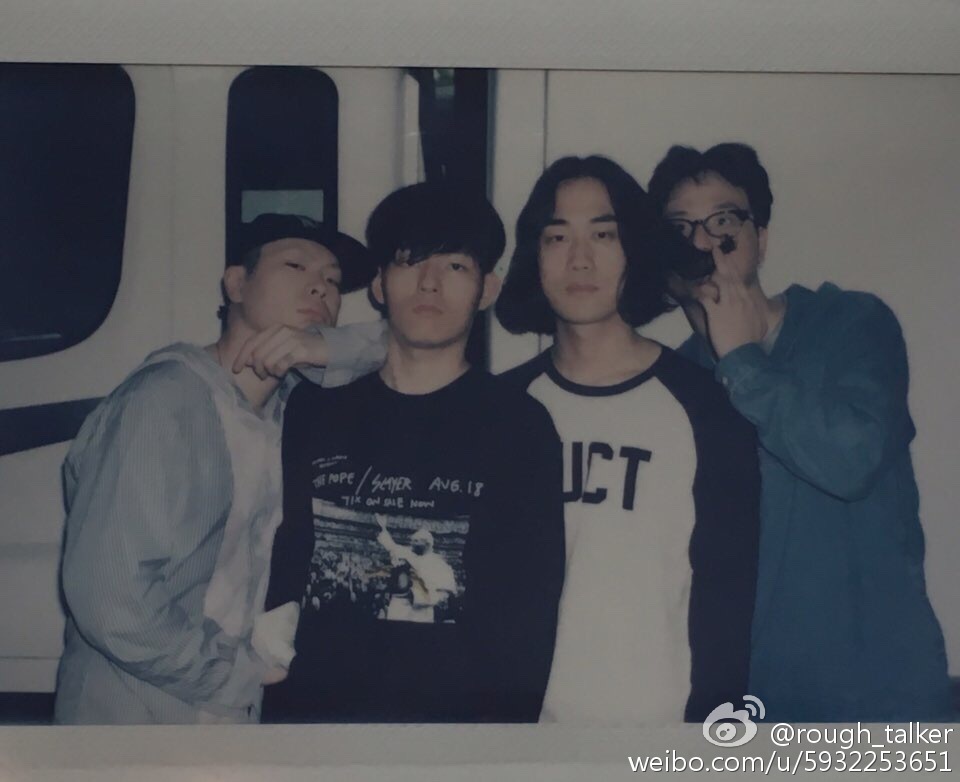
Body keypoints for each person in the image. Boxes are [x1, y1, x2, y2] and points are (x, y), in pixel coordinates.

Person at [648, 142, 953, 721]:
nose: (703, 243)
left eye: (723, 221)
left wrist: (742, 361)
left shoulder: (849, 324)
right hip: (749, 711)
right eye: (681, 228)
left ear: (761, 238)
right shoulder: (672, 384)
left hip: (884, 707)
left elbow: (852, 461)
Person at [54, 213, 384, 724]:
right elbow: (110, 598)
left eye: (333, 280)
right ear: (236, 284)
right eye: (295, 265)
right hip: (139, 718)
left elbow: (410, 350)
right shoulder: (163, 401)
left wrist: (328, 347)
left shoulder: (289, 410)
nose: (321, 286)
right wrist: (234, 675)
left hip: (226, 720)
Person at [262, 182, 566, 723]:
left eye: (455, 266)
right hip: (314, 730)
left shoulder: (519, 427)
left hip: (450, 739)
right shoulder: (315, 412)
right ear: (379, 284)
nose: (429, 282)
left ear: (488, 288)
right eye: (410, 261)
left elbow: (528, 619)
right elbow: (285, 575)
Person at [495, 155, 761, 725]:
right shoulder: (500, 408)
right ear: (534, 256)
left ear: (635, 250)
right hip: (519, 736)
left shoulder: (706, 406)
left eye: (604, 234)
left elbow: (727, 600)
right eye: (557, 236)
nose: (580, 258)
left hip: (659, 734)